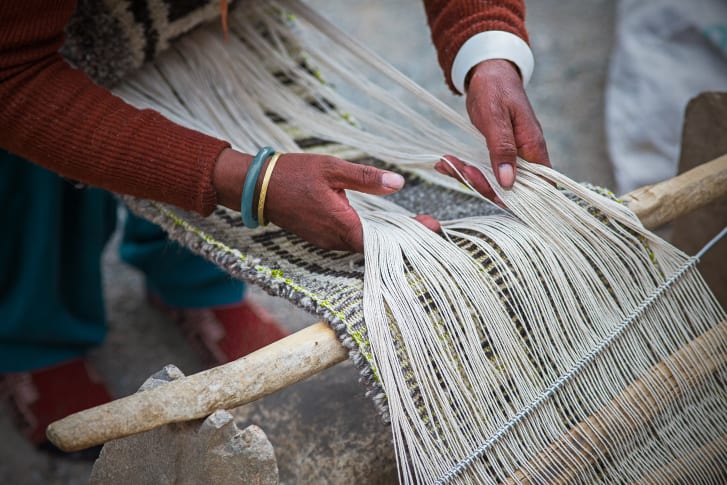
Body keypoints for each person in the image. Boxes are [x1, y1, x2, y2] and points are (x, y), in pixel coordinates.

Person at [0, 0, 549, 448]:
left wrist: (487, 45)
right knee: (45, 189)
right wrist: (253, 181)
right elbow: (12, 74)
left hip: (221, 22)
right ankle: (38, 337)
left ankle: (192, 285)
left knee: (224, 122)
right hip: (43, 44)